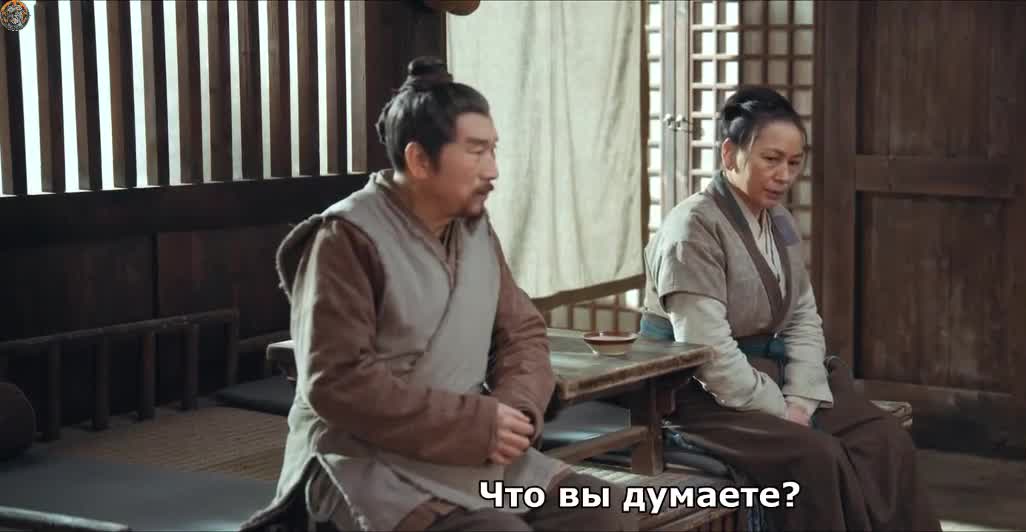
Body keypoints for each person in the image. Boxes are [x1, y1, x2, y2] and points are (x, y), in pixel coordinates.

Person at [241, 57, 636, 532]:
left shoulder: (473, 229)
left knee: (602, 509)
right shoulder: (346, 238)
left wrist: (515, 411)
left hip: (470, 450)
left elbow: (523, 333)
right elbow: (336, 380)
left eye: (493, 150)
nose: (493, 170)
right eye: (476, 152)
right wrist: (474, 425)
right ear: (420, 160)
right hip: (366, 461)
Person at [638, 86, 941, 532]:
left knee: (884, 440)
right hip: (697, 393)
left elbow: (802, 317)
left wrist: (800, 398)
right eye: (771, 159)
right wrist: (779, 411)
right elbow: (708, 350)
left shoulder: (778, 220)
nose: (784, 175)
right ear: (730, 154)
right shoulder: (692, 229)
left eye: (794, 163)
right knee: (815, 458)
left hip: (773, 378)